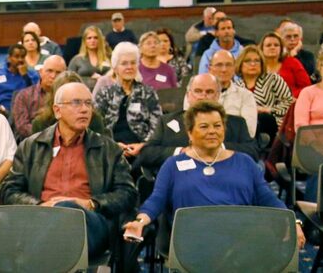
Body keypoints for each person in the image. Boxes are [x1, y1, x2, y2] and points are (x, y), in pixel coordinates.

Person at [123, 101, 304, 249]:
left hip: (241, 239)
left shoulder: (244, 162)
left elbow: (268, 198)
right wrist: (140, 222)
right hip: (193, 241)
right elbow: (156, 200)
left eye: (217, 126)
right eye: (204, 126)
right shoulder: (173, 165)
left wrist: (293, 221)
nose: (212, 131)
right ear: (190, 133)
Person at [1, 82, 138, 258]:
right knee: (58, 219)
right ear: (57, 110)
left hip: (90, 222)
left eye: (88, 103)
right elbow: (10, 190)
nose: (84, 109)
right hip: (41, 218)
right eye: (76, 103)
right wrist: (40, 206)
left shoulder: (108, 149)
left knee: (67, 208)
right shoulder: (31, 146)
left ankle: (30, 259)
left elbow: (127, 193)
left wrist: (90, 203)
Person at [138, 74, 259, 175]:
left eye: (209, 92)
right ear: (188, 95)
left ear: (218, 95)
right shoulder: (167, 122)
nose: (203, 96)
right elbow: (147, 153)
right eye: (198, 91)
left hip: (226, 178)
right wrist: (181, 151)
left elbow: (252, 152)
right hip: (180, 179)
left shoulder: (237, 123)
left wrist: (218, 148)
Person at [95, 42, 163, 161]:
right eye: (124, 63)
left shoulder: (148, 92)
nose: (129, 67)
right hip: (110, 148)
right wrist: (113, 145)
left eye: (133, 63)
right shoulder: (105, 93)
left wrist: (144, 145)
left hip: (142, 148)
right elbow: (97, 126)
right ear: (115, 67)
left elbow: (157, 125)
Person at [234, 45, 294, 143]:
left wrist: (268, 110)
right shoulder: (235, 86)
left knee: (264, 118)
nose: (253, 64)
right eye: (248, 61)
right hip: (245, 126)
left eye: (257, 61)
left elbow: (289, 102)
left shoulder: (273, 79)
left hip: (271, 124)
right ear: (240, 64)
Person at [32, 71, 109, 137]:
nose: (83, 109)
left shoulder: (94, 120)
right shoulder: (40, 124)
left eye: (86, 102)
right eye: (75, 102)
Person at [204, 50, 258, 137]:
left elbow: (249, 132)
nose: (224, 69)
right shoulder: (197, 93)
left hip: (235, 145)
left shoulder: (246, 96)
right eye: (219, 65)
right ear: (210, 69)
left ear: (234, 69)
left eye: (228, 65)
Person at [12, 55, 66, 140]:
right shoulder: (24, 95)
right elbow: (22, 126)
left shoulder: (69, 96)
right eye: (49, 71)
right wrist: (48, 137)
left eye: (58, 72)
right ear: (41, 72)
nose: (53, 76)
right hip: (33, 143)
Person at [0, 44, 39, 113]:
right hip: (0, 110)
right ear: (9, 58)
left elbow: (35, 95)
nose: (20, 60)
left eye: (22, 57)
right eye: (16, 57)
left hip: (23, 111)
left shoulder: (32, 75)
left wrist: (25, 76)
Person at [259, 32, 311, 98]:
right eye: (268, 45)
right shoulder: (257, 65)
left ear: (281, 48)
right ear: (262, 48)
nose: (272, 47)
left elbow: (306, 87)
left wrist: (290, 97)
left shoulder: (292, 62)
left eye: (276, 45)